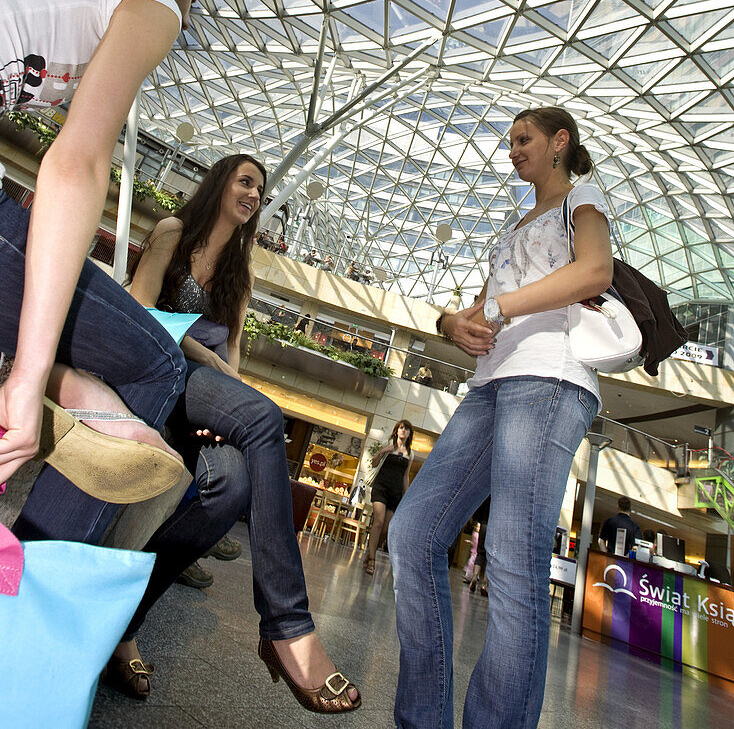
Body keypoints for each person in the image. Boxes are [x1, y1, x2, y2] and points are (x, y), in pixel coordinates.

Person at [107, 155, 360, 713]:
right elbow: (141, 310)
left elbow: (235, 355)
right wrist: (212, 366)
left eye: (260, 190)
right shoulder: (175, 233)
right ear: (221, 181)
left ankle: (123, 626)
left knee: (231, 489)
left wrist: (229, 407)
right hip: (157, 371)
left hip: (206, 395)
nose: (252, 195)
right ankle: (285, 623)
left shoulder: (240, 272)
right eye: (245, 181)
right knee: (265, 415)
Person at [389, 105, 610, 729]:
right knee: (413, 534)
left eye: (524, 139)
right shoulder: (515, 226)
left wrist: (504, 307)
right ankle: (422, 719)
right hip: (489, 385)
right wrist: (450, 324)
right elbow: (472, 311)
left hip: (549, 377)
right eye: (509, 141)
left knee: (514, 559)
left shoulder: (583, 199)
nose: (513, 150)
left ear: (560, 142)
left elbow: (595, 270)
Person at [0, 0, 207, 543]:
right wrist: (31, 374)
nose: (188, 17)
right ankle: (36, 608)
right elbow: (77, 163)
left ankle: (68, 381)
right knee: (154, 364)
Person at [363, 420, 413, 577]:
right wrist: (383, 451)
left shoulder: (410, 453)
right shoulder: (388, 443)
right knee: (378, 521)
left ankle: (370, 551)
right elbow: (374, 462)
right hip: (381, 488)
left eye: (406, 429)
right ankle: (371, 559)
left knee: (385, 529)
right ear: (396, 431)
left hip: (396, 493)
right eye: (401, 428)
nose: (403, 431)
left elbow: (405, 477)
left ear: (410, 434)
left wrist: (407, 496)